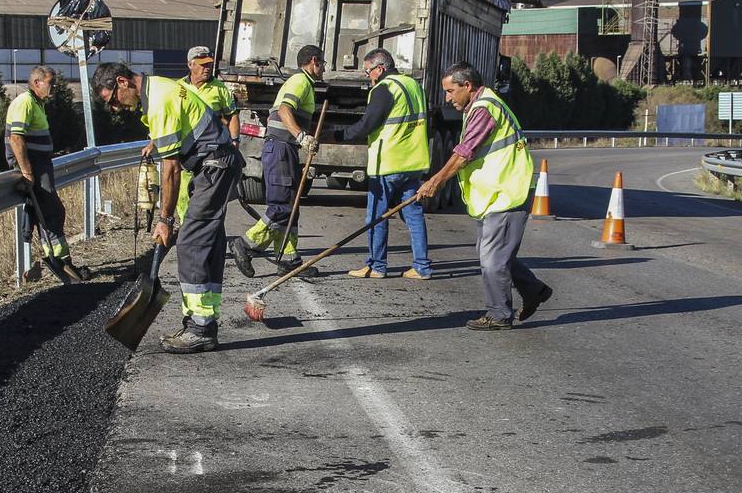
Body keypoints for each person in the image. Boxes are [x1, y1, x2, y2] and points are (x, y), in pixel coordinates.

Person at [93, 62, 241, 354]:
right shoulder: (157, 87)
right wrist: (155, 142)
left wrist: (164, 219)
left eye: (112, 100)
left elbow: (170, 170)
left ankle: (200, 329)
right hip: (216, 163)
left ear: (122, 82)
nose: (114, 108)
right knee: (208, 245)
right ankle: (204, 322)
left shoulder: (159, 100)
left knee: (190, 244)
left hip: (214, 166)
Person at [417, 62, 551, 330]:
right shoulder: (481, 105)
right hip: (496, 193)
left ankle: (499, 314)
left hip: (506, 192)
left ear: (467, 86)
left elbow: (464, 152)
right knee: (492, 253)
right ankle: (533, 289)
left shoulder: (484, 108)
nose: (447, 97)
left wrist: (436, 180)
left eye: (450, 90)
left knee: (492, 258)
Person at [327, 48, 432, 280]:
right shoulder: (414, 86)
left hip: (388, 162)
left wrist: (337, 136)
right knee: (413, 215)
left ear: (380, 68)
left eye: (368, 71)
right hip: (413, 161)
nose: (368, 76)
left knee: (376, 215)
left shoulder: (384, 89)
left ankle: (377, 266)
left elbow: (367, 124)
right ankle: (422, 267)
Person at [232, 45, 322, 278]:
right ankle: (245, 244)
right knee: (281, 207)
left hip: (285, 149)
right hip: (281, 148)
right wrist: (301, 136)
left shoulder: (306, 84)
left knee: (290, 207)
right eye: (321, 62)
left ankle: (288, 259)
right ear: (313, 61)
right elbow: (284, 110)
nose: (323, 67)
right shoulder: (300, 81)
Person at [6, 66, 86, 283]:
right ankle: (60, 259)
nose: (54, 88)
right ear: (37, 83)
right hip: (34, 165)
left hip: (40, 164)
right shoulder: (25, 102)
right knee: (51, 210)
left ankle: (60, 258)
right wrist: (26, 170)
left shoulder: (36, 103)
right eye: (51, 83)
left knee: (48, 211)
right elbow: (15, 138)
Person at [182, 45, 240, 141]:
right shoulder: (179, 87)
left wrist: (235, 140)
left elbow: (232, 115)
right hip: (186, 144)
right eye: (203, 64)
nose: (207, 68)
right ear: (190, 65)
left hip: (212, 144)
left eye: (209, 64)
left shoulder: (220, 88)